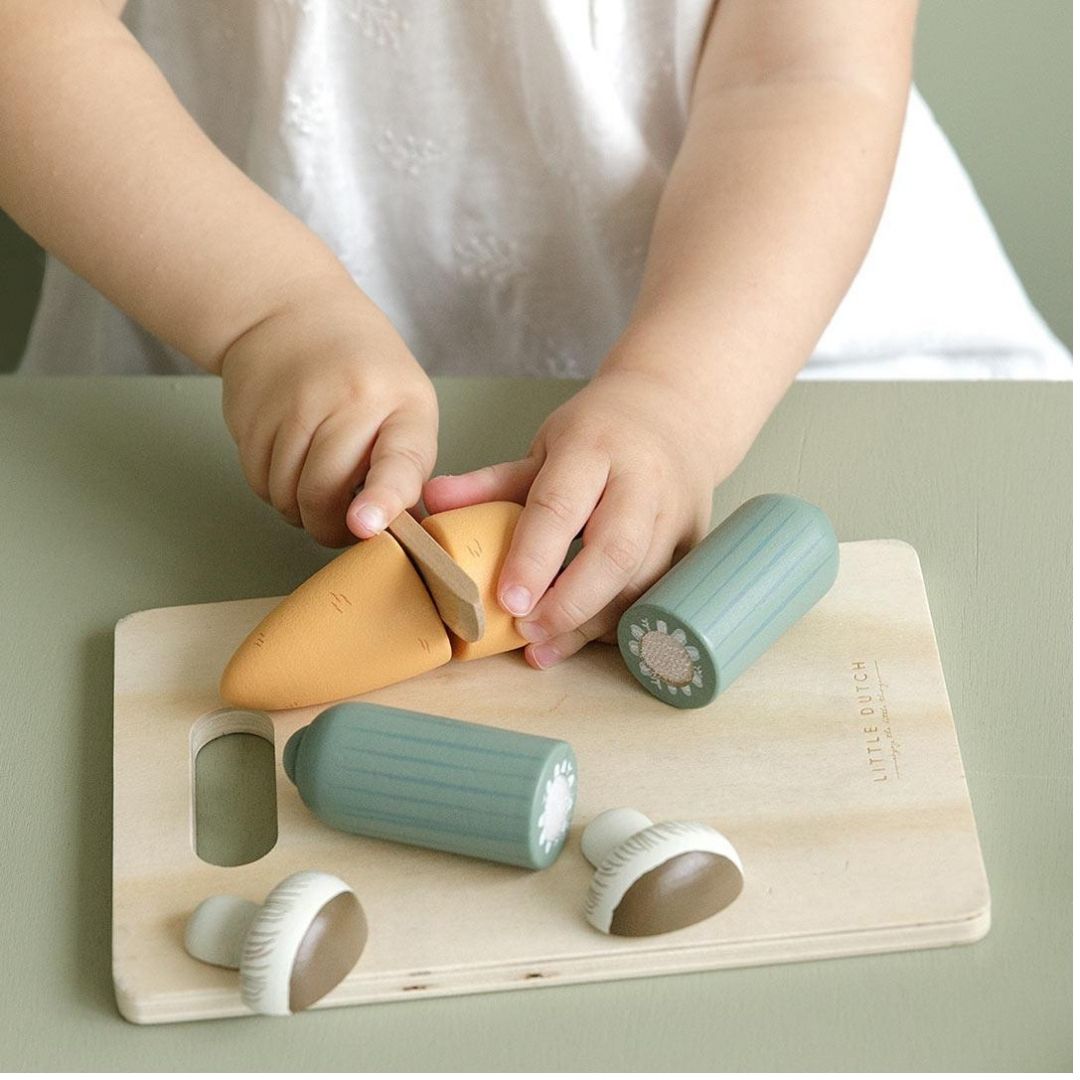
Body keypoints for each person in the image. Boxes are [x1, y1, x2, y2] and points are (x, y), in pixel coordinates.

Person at [2, 1, 1070, 671]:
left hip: (761, 329)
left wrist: (681, 399)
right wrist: (266, 311)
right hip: (209, 314)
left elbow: (805, 73)